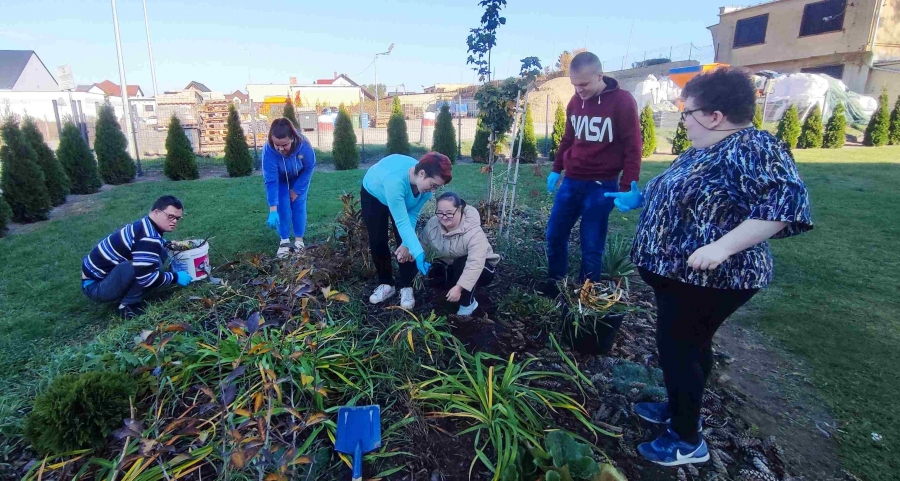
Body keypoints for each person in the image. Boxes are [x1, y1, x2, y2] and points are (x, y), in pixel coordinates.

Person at [605, 67, 813, 467]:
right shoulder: (707, 147)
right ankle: (678, 406)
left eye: (687, 111)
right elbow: (692, 190)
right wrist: (645, 196)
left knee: (678, 348)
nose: (683, 118)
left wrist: (721, 247)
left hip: (713, 279)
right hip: (681, 278)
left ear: (714, 115)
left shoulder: (753, 148)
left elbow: (787, 206)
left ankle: (686, 441)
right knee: (690, 345)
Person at [543, 51, 642, 293]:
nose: (579, 90)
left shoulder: (622, 101)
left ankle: (586, 294)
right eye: (574, 85)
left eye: (584, 84)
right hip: (571, 182)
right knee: (554, 234)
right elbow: (568, 138)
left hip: (602, 186)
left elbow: (633, 147)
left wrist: (626, 187)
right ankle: (555, 284)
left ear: (600, 76)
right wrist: (557, 169)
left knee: (591, 243)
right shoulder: (575, 102)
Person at [361, 152, 453, 309]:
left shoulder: (425, 190)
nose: (434, 191)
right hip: (374, 194)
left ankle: (406, 286)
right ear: (422, 173)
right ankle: (386, 284)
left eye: (437, 187)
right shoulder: (395, 181)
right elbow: (401, 221)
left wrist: (406, 244)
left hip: (398, 196)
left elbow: (412, 214)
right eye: (433, 185)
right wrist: (419, 253)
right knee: (378, 238)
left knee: (407, 242)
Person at [81, 196, 195, 319]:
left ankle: (130, 293)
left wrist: (169, 244)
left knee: (158, 253)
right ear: (157, 212)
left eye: (177, 218)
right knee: (143, 268)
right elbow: (146, 278)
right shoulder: (148, 238)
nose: (174, 222)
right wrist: (175, 277)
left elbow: (147, 244)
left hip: (100, 278)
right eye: (170, 216)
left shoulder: (144, 225)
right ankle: (127, 306)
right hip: (96, 287)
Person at [407, 192, 500, 316]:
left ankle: (468, 304)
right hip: (450, 264)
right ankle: (445, 299)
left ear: (459, 209)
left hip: (482, 269)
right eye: (440, 212)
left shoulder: (473, 232)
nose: (444, 217)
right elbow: (422, 245)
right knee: (436, 273)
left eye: (449, 213)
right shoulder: (432, 225)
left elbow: (475, 264)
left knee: (462, 262)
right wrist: (411, 255)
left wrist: (459, 287)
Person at [262, 118, 316, 258]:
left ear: (292, 138)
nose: (280, 148)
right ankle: (284, 241)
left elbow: (309, 167)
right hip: (279, 180)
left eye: (284, 144)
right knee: (283, 207)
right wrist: (272, 209)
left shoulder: (304, 145)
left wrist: (296, 190)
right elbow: (271, 181)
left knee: (298, 205)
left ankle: (299, 241)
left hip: (299, 177)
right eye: (277, 144)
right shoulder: (268, 150)